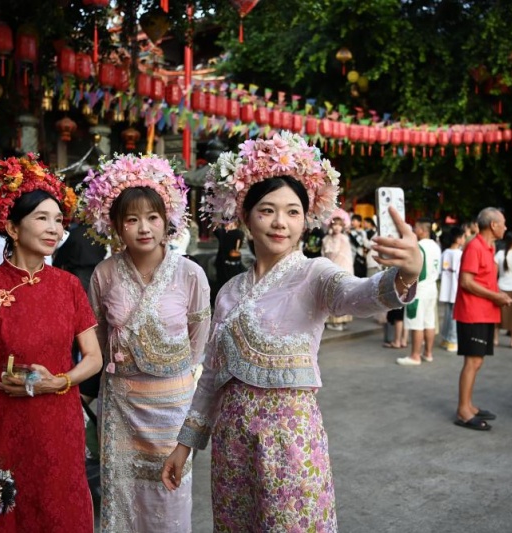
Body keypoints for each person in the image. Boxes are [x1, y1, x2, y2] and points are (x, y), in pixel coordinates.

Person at [161, 132, 422, 531]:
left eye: (293, 211)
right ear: (245, 216)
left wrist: (405, 274)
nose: (280, 222)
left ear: (306, 218)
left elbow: (360, 294)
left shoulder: (315, 274)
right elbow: (211, 377)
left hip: (290, 441)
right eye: (267, 210)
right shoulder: (229, 291)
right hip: (232, 443)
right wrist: (184, 446)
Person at [0, 154, 103, 532]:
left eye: (58, 220)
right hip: (7, 430)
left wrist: (60, 381)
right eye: (41, 217)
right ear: (12, 227)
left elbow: (94, 358)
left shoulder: (69, 286)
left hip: (62, 427)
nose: (54, 228)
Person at [78, 153, 211, 532]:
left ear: (166, 220)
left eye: (152, 217)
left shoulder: (191, 274)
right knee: (122, 495)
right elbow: (100, 336)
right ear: (116, 225)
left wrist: (186, 385)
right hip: (121, 404)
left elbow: (198, 339)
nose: (143, 228)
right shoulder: (103, 274)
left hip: (173, 406)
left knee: (171, 493)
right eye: (131, 219)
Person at [453, 207, 512, 431]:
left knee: (477, 361)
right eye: (503, 223)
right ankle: (463, 410)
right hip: (472, 312)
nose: (506, 227)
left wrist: (496, 297)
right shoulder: (475, 246)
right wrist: (495, 296)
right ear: (493, 225)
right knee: (472, 362)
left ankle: (469, 404)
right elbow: (466, 282)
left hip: (484, 312)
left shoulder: (488, 247)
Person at [398, 218, 442, 365]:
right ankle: (428, 353)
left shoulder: (419, 247)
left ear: (423, 230)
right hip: (432, 288)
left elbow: (417, 271)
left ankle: (415, 356)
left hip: (419, 289)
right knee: (429, 322)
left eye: (416, 228)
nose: (414, 230)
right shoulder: (436, 246)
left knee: (416, 323)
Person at [322, 209, 354, 331]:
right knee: (329, 296)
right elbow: (323, 255)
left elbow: (346, 257)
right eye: (334, 224)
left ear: (343, 226)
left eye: (339, 225)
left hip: (341, 269)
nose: (336, 227)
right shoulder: (326, 239)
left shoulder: (344, 239)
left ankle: (341, 321)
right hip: (329, 270)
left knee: (340, 295)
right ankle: (330, 320)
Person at [438, 226, 464, 353]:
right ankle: (453, 341)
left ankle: (445, 339)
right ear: (458, 239)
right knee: (455, 316)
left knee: (448, 315)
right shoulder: (460, 254)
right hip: (456, 289)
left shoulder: (445, 252)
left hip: (446, 288)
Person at [212, 221, 246, 304]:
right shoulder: (240, 233)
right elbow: (239, 247)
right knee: (235, 283)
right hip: (234, 261)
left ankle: (221, 301)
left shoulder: (221, 232)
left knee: (221, 282)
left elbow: (215, 229)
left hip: (221, 261)